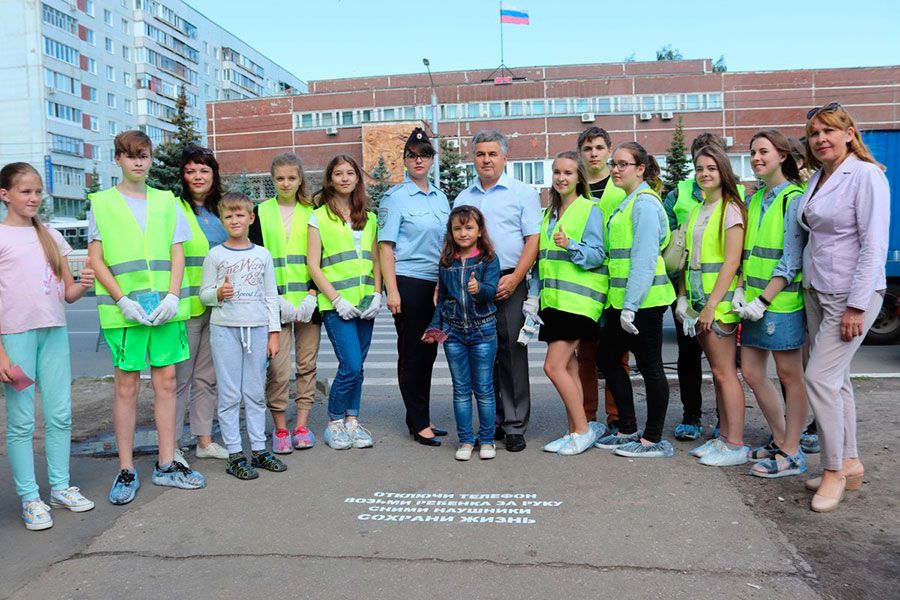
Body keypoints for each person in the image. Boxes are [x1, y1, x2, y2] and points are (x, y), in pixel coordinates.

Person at [87, 130, 206, 505]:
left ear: (151, 159)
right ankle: (126, 469)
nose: (139, 162)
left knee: (167, 383)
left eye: (144, 156)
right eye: (131, 156)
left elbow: (177, 253)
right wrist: (121, 300)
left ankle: (167, 463)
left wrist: (173, 294)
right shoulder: (101, 203)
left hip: (165, 309)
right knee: (126, 387)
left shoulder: (167, 201)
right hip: (126, 313)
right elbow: (96, 258)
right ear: (118, 159)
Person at [796, 103, 889, 512]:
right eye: (814, 133)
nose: (820, 139)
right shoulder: (818, 177)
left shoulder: (865, 175)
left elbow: (874, 246)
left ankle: (832, 470)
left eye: (829, 131)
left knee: (818, 378)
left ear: (849, 133)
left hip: (850, 295)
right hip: (818, 290)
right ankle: (850, 462)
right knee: (838, 381)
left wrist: (856, 306)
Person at [0, 163, 96, 530]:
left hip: (54, 334)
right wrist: (2, 355)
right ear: (5, 194)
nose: (34, 198)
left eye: (38, 191)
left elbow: (67, 295)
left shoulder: (52, 236)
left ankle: (60, 487)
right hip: (15, 338)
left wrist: (84, 282)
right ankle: (29, 497)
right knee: (22, 422)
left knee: (60, 415)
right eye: (25, 191)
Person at [454, 130, 541, 452]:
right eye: (480, 154)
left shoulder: (523, 193)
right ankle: (493, 423)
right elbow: (454, 243)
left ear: (505, 158)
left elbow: (533, 239)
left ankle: (515, 424)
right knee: (482, 354)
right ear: (473, 158)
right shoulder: (463, 198)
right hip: (472, 283)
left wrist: (517, 278)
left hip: (508, 281)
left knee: (510, 353)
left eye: (492, 154)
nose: (486, 159)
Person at [594, 142, 676, 458]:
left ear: (640, 168)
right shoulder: (628, 202)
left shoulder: (644, 204)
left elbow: (643, 258)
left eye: (623, 164)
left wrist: (630, 306)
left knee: (651, 367)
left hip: (644, 303)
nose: (615, 169)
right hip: (622, 303)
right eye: (613, 164)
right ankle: (628, 428)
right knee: (607, 358)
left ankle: (652, 439)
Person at [663, 133, 744, 441]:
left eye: (711, 167)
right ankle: (715, 433)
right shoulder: (693, 206)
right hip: (694, 303)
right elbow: (684, 255)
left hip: (717, 305)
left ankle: (731, 439)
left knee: (724, 374)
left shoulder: (730, 207)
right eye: (699, 168)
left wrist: (711, 305)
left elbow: (732, 261)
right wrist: (683, 297)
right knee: (708, 368)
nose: (705, 173)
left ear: (722, 168)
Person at [737, 129, 808, 478]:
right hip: (752, 302)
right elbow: (750, 254)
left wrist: (764, 299)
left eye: (763, 151)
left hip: (780, 303)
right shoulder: (755, 199)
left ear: (782, 155)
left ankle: (793, 453)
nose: (756, 158)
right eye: (752, 153)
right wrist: (740, 290)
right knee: (751, 372)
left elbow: (790, 259)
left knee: (789, 375)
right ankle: (782, 440)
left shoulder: (793, 198)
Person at [200, 193, 285, 479]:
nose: (234, 220)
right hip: (225, 330)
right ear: (222, 221)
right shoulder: (215, 255)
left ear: (251, 218)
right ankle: (235, 453)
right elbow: (203, 295)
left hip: (258, 330)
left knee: (254, 392)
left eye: (240, 215)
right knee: (229, 394)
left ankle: (259, 449)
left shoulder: (262, 254)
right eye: (228, 216)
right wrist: (218, 294)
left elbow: (271, 296)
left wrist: (274, 333)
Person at [378, 128, 451, 446]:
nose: (418, 159)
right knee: (412, 353)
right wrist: (391, 291)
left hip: (437, 284)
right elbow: (385, 246)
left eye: (424, 154)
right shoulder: (395, 198)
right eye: (412, 155)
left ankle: (421, 417)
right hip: (409, 283)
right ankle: (418, 421)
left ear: (432, 160)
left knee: (429, 351)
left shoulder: (441, 196)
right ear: (405, 160)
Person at [535, 152, 608, 456]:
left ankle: (581, 430)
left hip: (578, 302)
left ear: (579, 178)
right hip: (554, 301)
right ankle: (577, 429)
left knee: (552, 366)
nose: (561, 178)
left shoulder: (589, 209)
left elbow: (598, 255)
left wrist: (573, 245)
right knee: (568, 365)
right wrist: (533, 297)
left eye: (568, 173)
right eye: (556, 172)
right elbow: (544, 260)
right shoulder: (548, 214)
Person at [307, 155, 382, 450]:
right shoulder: (319, 217)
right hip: (337, 305)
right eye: (338, 173)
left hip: (366, 304)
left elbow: (376, 260)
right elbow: (314, 265)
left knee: (359, 366)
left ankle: (353, 420)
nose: (345, 178)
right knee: (350, 364)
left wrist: (378, 293)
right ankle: (335, 422)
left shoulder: (370, 217)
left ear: (357, 178)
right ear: (330, 179)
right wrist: (335, 300)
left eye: (350, 173)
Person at [249, 153, 321, 454]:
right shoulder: (260, 212)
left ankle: (302, 425)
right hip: (272, 304)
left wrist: (312, 294)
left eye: (292, 178)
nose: (286, 183)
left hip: (307, 302)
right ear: (272, 179)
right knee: (277, 369)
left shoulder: (314, 210)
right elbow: (253, 257)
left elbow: (324, 256)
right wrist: (272, 297)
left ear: (300, 179)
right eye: (280, 178)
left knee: (307, 365)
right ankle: (280, 428)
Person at [424, 206, 500, 460]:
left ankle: (487, 440)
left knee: (484, 389)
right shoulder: (447, 262)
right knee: (460, 389)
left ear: (479, 231)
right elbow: (443, 299)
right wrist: (434, 328)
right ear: (451, 232)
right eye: (458, 228)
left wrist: (479, 289)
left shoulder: (488, 259)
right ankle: (466, 441)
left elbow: (492, 293)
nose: (463, 233)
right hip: (453, 334)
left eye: (469, 228)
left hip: (484, 331)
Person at [173, 144, 228, 465]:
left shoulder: (222, 209)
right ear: (183, 174)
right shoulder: (173, 208)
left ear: (213, 174)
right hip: (187, 306)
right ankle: (174, 444)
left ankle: (204, 440)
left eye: (204, 170)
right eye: (191, 170)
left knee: (207, 378)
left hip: (219, 308)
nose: (197, 176)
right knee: (180, 379)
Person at [576, 127, 626, 432]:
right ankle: (587, 416)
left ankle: (617, 415)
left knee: (617, 354)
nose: (593, 153)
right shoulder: (575, 188)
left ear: (609, 150)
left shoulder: (620, 188)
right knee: (585, 354)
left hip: (615, 281)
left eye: (598, 147)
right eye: (587, 148)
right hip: (583, 282)